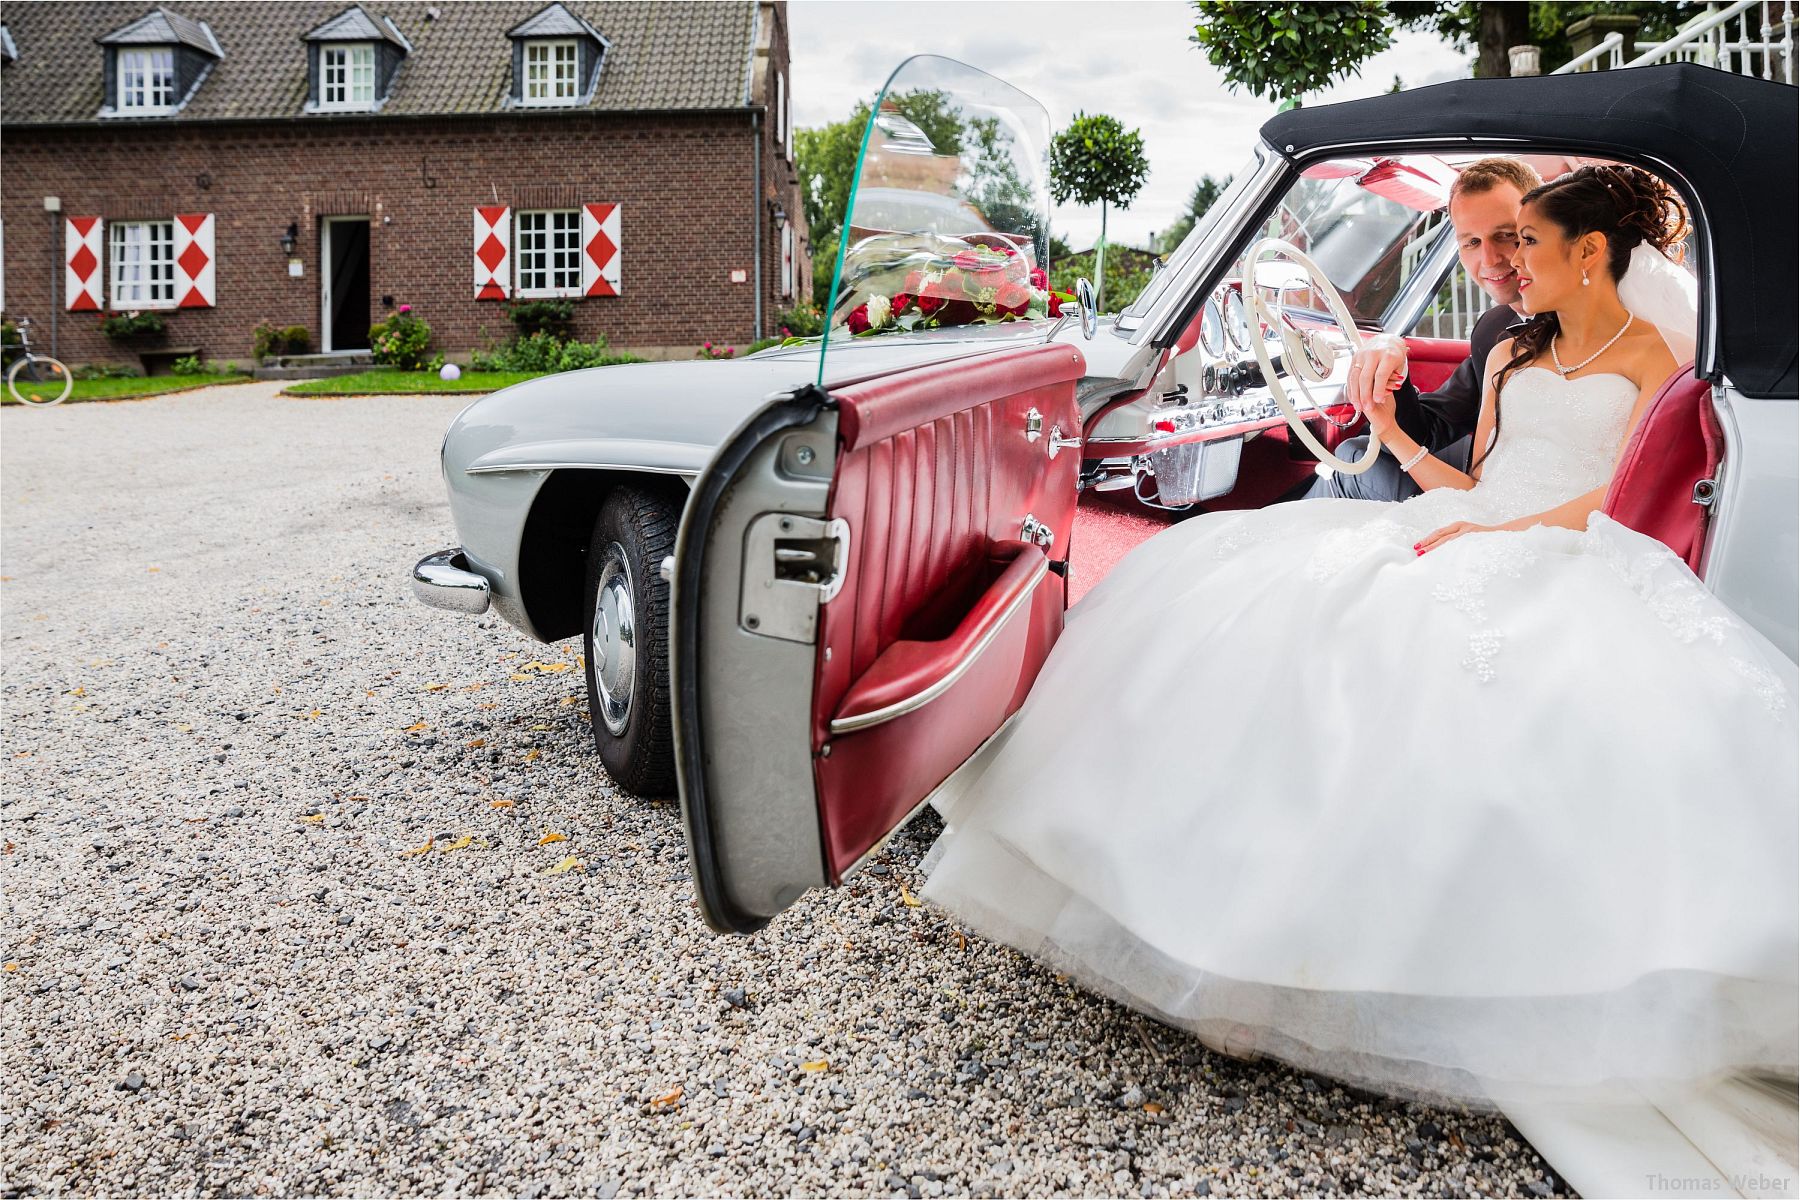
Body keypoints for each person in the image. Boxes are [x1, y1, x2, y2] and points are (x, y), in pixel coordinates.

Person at [918, 165, 1797, 1114]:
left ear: (1588, 254)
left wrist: (1501, 532)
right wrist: (1387, 424)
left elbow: (1617, 493)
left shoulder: (1657, 357)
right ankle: (1217, 898)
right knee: (1247, 584)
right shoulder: (1509, 351)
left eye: (1523, 243)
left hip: (1565, 544)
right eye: (1479, 245)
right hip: (1465, 518)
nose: (1502, 268)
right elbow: (1468, 476)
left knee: (1430, 659)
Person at [1304, 157, 1541, 502]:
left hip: (1517, 499)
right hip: (1484, 481)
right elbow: (1432, 429)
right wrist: (1391, 352)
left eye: (1505, 236)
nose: (1489, 260)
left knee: (1352, 463)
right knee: (1356, 453)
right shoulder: (1494, 327)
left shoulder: (1594, 328)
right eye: (1471, 242)